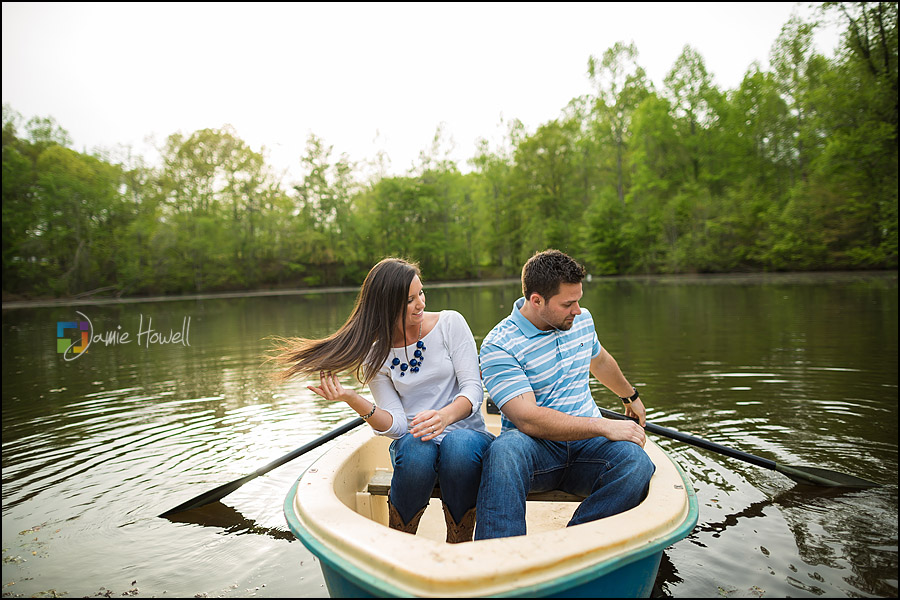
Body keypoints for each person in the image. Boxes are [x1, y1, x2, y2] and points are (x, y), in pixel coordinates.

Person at [272, 257, 492, 543]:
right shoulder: (375, 354)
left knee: (457, 445)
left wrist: (445, 416)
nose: (421, 303)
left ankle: (458, 542)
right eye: (410, 300)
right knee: (415, 449)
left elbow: (473, 389)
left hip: (466, 438)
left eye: (421, 293)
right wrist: (352, 398)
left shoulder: (450, 323)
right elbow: (398, 426)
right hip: (416, 447)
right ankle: (399, 542)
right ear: (387, 305)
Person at [475, 249, 655, 540]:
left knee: (636, 464)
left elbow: (599, 360)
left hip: (588, 449)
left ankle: (571, 544)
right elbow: (528, 419)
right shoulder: (499, 345)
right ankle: (502, 554)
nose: (578, 310)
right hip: (536, 451)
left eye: (578, 300)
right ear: (537, 300)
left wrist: (629, 396)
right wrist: (602, 425)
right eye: (568, 304)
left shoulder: (581, 321)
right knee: (504, 451)